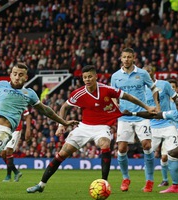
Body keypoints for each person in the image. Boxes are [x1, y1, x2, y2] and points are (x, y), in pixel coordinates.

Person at [0, 63, 79, 200]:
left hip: (3, 130)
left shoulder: (29, 93)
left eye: (21, 75)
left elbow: (46, 110)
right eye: (15, 74)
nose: (17, 77)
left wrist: (63, 122)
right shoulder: (0, 85)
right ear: (11, 74)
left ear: (26, 77)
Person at [26, 65, 155, 193]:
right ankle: (41, 184)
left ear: (95, 77)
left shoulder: (106, 90)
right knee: (62, 153)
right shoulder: (79, 93)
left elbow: (128, 97)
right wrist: (62, 125)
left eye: (90, 77)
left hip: (102, 127)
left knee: (105, 143)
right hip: (84, 127)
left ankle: (104, 183)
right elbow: (65, 107)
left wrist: (147, 107)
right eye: (85, 77)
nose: (87, 79)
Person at [110, 47, 160, 192]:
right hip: (124, 116)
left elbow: (154, 88)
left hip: (141, 115)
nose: (126, 59)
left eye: (129, 57)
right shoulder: (115, 76)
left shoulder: (143, 74)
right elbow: (112, 94)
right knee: (121, 148)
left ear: (133, 58)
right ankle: (126, 178)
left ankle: (149, 180)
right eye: (124, 57)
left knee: (147, 145)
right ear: (120, 58)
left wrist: (156, 106)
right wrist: (115, 105)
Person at [143, 66, 178, 193]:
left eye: (149, 71)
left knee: (173, 154)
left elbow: (177, 98)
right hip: (151, 127)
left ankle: (176, 185)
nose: (147, 74)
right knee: (148, 154)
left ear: (154, 73)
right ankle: (149, 183)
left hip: (168, 124)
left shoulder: (164, 85)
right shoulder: (141, 89)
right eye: (144, 72)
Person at [1, 109, 31, 182]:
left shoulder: (20, 101)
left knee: (8, 151)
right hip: (6, 129)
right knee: (3, 154)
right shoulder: (4, 101)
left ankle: (8, 176)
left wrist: (28, 130)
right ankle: (16, 172)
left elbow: (27, 116)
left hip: (16, 130)